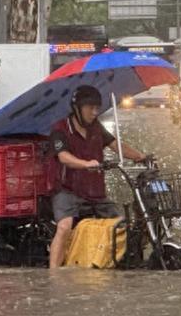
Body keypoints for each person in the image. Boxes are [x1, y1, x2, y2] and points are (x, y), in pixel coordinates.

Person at [49, 85, 146, 268]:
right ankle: (53, 273)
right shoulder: (60, 129)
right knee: (64, 227)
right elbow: (63, 157)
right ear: (78, 108)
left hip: (95, 193)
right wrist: (86, 164)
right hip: (67, 191)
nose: (95, 112)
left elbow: (117, 145)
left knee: (122, 225)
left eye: (97, 108)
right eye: (90, 108)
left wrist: (141, 156)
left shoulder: (96, 128)